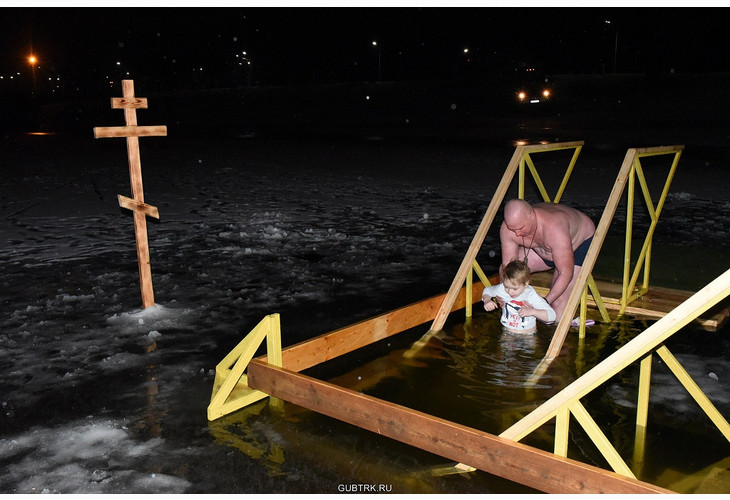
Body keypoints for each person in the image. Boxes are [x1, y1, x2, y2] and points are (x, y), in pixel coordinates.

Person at [498, 199, 596, 323]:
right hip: (542, 251)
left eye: (521, 228)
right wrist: (504, 295)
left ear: (532, 216)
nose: (517, 234)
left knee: (557, 310)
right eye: (513, 229)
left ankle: (568, 324)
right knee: (504, 270)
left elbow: (565, 273)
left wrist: (543, 303)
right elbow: (508, 269)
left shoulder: (554, 228)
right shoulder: (508, 229)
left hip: (578, 245)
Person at [482, 259, 556, 334]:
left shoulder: (530, 295)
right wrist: (487, 300)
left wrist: (533, 311)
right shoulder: (501, 289)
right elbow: (488, 290)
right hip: (507, 333)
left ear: (526, 284)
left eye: (515, 289)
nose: (510, 292)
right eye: (506, 287)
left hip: (528, 335)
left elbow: (552, 316)